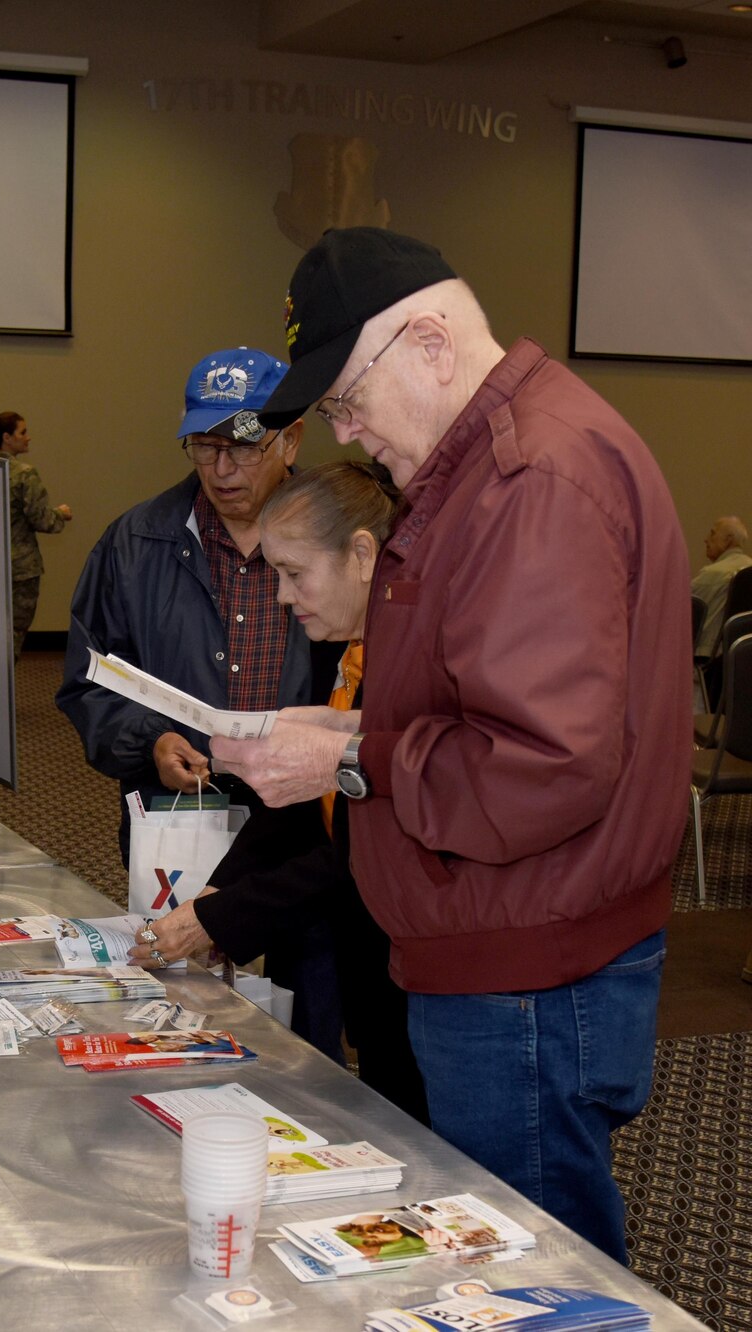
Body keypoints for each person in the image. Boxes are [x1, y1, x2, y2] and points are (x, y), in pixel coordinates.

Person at [213, 226, 687, 1262]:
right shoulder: (487, 468)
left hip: (525, 972)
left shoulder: (527, 479)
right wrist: (351, 727)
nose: (348, 429)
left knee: (526, 1270)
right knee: (512, 1259)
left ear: (428, 343)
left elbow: (541, 767)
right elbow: (487, 707)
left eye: (346, 398)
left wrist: (350, 760)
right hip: (509, 947)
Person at [56, 347, 342, 1053]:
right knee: (177, 1012)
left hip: (310, 834)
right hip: (178, 822)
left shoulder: (339, 544)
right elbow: (86, 683)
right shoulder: (135, 543)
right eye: (204, 447)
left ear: (291, 439)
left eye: (242, 447)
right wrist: (147, 742)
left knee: (311, 1028)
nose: (221, 471)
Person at [130, 462, 427, 1123]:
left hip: (419, 974)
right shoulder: (341, 652)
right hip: (372, 969)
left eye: (295, 575)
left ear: (361, 554)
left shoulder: (413, 668)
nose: (284, 599)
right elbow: (308, 807)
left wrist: (223, 916)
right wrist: (219, 889)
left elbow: (364, 848)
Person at [0, 412, 72, 656]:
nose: (28, 437)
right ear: (6, 437)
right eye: (22, 432)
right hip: (20, 570)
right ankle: (1, 690)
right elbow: (41, 520)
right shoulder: (24, 474)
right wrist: (61, 514)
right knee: (12, 634)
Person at [693, 514, 750, 656]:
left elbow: (679, 611)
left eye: (713, 534)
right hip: (744, 657)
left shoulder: (713, 574)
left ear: (728, 540)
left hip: (708, 660)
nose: (706, 540)